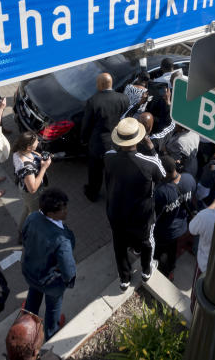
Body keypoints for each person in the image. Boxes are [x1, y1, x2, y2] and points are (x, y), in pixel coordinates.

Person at [104, 118, 165, 290]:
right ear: (138, 139)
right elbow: (162, 173)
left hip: (116, 213)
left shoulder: (108, 158)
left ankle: (124, 279)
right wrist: (152, 148)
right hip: (141, 216)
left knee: (119, 245)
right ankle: (146, 270)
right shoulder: (148, 163)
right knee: (147, 242)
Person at [21, 187, 76, 340]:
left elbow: (24, 237)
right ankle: (51, 333)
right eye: (62, 209)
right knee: (53, 309)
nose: (66, 211)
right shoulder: (61, 239)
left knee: (33, 295)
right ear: (51, 214)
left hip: (31, 272)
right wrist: (69, 282)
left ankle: (26, 327)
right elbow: (68, 268)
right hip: (51, 282)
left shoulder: (32, 218)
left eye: (65, 206)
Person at [81, 73, 130, 202]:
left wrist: (84, 139)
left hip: (98, 144)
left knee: (95, 171)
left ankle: (93, 193)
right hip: (116, 142)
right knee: (113, 172)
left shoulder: (93, 101)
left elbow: (86, 124)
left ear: (101, 84)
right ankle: (114, 194)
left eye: (97, 83)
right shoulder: (123, 99)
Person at [153, 155, 195, 279]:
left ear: (164, 172)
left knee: (157, 251)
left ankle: (154, 266)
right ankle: (170, 270)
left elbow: (155, 214)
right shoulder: (189, 179)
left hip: (164, 231)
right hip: (181, 227)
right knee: (172, 251)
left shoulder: (161, 192)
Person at [13, 131, 53, 234]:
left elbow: (35, 155)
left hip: (25, 190)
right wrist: (44, 168)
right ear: (28, 146)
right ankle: (31, 233)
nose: (38, 142)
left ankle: (21, 229)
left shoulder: (20, 151)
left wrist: (43, 158)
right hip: (32, 195)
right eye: (36, 141)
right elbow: (33, 188)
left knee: (27, 208)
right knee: (36, 214)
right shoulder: (26, 166)